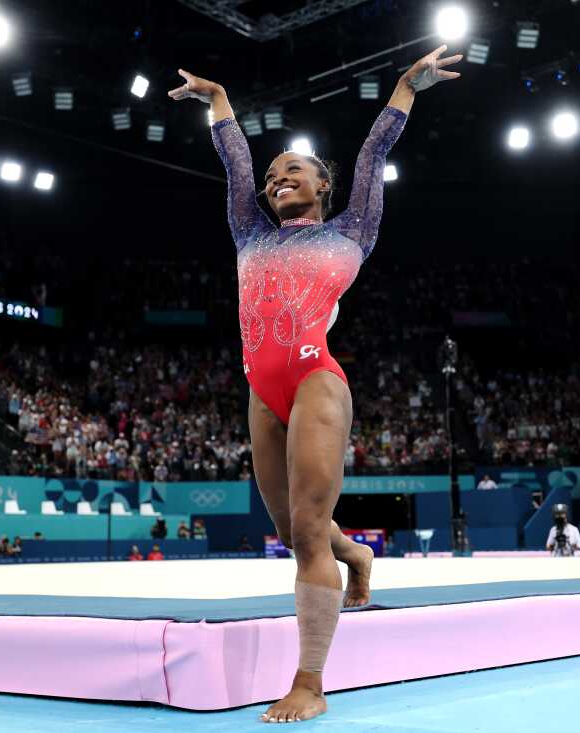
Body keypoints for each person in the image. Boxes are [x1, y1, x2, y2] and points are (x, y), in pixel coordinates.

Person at [170, 44, 462, 724]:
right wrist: (218, 103)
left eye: (293, 171)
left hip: (313, 380)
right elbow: (236, 167)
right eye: (273, 176)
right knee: (290, 525)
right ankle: (356, 551)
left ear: (323, 185)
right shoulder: (248, 231)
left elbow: (371, 158)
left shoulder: (352, 229)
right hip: (259, 389)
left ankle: (309, 679)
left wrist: (404, 89)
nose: (276, 180)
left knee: (305, 531)